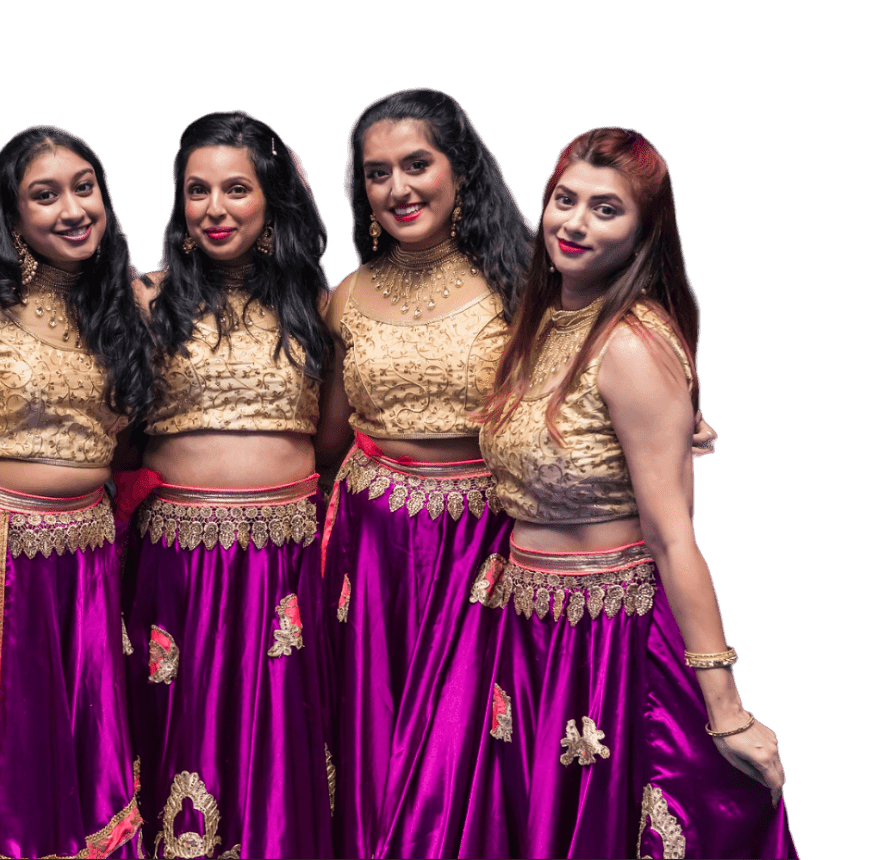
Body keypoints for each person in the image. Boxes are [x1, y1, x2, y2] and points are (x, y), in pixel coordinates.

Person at [474, 127, 795, 858]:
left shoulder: (631, 343)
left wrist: (727, 711)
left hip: (607, 643)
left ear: (645, 234)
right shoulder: (545, 323)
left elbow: (674, 534)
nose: (575, 223)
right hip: (528, 636)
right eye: (564, 200)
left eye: (605, 209)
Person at [315, 88, 531, 858]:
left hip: (484, 544)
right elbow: (328, 438)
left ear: (459, 172)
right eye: (378, 174)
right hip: (369, 548)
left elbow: (601, 372)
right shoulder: (345, 297)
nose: (399, 188)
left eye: (417, 164)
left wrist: (682, 417)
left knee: (462, 752)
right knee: (372, 744)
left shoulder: (525, 285)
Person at [126, 110, 334, 859]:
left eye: (237, 188)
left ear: (272, 201)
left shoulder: (317, 309)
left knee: (280, 741)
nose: (215, 209)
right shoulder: (145, 304)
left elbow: (342, 436)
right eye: (197, 190)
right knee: (178, 732)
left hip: (285, 566)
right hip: (176, 568)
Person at [0, 126, 152, 859]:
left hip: (90, 553)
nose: (72, 209)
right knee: (7, 741)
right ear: (12, 214)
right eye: (46, 194)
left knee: (87, 748)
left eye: (84, 187)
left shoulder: (124, 304)